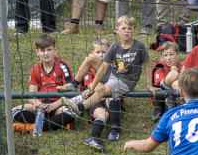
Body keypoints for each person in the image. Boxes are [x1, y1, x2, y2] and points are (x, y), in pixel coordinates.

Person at [62, 16, 149, 148]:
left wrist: (149, 84)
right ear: (117, 30)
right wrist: (92, 86)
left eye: (130, 28)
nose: (127, 31)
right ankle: (75, 86)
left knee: (103, 90)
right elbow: (103, 67)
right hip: (114, 77)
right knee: (97, 81)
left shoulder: (139, 46)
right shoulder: (115, 46)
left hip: (127, 81)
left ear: (134, 30)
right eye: (123, 28)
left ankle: (79, 108)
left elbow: (148, 64)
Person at [11, 34, 76, 131]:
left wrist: (54, 105)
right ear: (37, 52)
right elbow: (31, 95)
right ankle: (55, 124)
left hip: (58, 105)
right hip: (41, 107)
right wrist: (38, 104)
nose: (46, 53)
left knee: (70, 112)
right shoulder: (35, 68)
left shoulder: (63, 66)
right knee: (14, 111)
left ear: (55, 51)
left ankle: (32, 127)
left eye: (49, 50)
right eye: (42, 50)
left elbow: (70, 91)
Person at [150, 41, 179, 121]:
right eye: (165, 55)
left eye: (171, 54)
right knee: (173, 75)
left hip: (176, 94)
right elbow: (159, 84)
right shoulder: (159, 67)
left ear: (177, 55)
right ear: (162, 57)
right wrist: (173, 72)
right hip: (160, 97)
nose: (168, 58)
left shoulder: (182, 66)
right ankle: (159, 109)